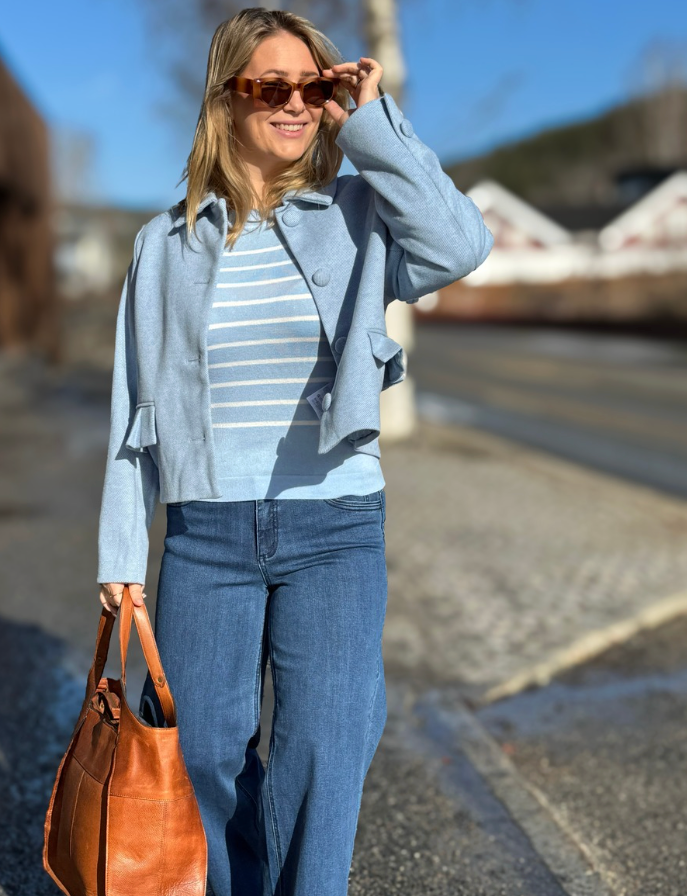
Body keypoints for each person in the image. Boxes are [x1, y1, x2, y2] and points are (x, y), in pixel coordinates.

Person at [96, 8, 493, 896]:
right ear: (225, 98)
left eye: (312, 87)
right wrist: (121, 550)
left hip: (335, 526)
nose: (294, 104)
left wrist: (374, 123)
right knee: (199, 751)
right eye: (271, 86)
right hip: (206, 534)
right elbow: (131, 403)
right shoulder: (162, 245)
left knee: (324, 748)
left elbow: (461, 244)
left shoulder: (360, 215)